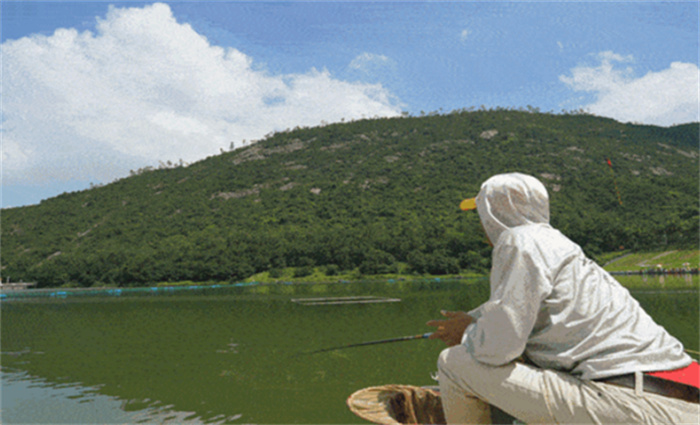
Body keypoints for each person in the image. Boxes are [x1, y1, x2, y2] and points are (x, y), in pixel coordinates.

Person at [427, 172, 699, 424]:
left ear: (494, 213)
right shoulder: (558, 245)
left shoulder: (517, 241)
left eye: (480, 214)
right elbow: (519, 305)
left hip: (636, 405)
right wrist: (474, 319)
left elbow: (500, 347)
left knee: (453, 363)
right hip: (684, 397)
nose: (480, 224)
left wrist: (466, 333)